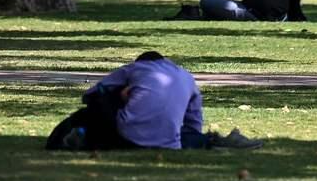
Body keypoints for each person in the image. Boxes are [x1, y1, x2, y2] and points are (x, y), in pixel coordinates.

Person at [45, 51, 262, 150]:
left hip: (126, 133)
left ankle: (81, 135)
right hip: (170, 143)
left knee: (103, 96)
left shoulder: (135, 68)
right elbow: (194, 122)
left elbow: (91, 95)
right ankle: (215, 141)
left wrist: (122, 95)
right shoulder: (186, 77)